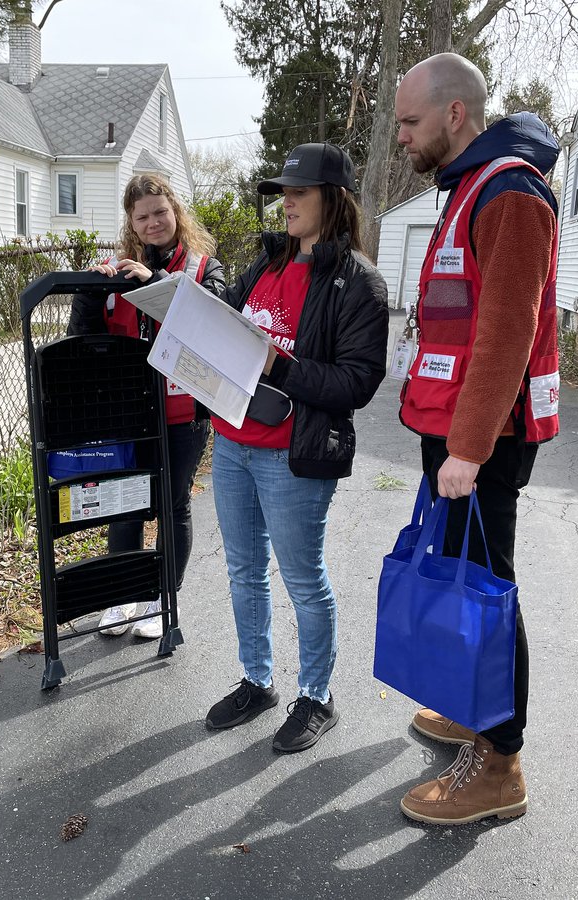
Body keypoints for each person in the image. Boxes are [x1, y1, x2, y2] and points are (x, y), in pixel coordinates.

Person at [392, 53, 561, 823]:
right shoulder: (469, 188)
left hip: (481, 439)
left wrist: (469, 447)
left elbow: (506, 333)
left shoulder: (510, 193)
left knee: (487, 590)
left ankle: (501, 763)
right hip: (458, 429)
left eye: (410, 122)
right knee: (465, 572)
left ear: (455, 115)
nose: (401, 137)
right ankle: (474, 710)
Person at [203, 143, 388, 753]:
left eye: (298, 192)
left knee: (303, 581)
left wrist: (277, 363)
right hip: (231, 444)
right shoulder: (264, 265)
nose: (285, 202)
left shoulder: (357, 283)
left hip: (294, 454)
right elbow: (223, 324)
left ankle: (318, 695)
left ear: (332, 200)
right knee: (243, 571)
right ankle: (258, 681)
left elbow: (356, 383)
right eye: (283, 191)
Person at [66, 172, 225, 640]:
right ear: (131, 224)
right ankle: (122, 596)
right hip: (128, 413)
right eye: (143, 217)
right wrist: (91, 293)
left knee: (174, 503)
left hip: (182, 414)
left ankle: (162, 599)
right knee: (124, 506)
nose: (154, 222)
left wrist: (156, 280)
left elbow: (213, 323)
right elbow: (84, 339)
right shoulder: (116, 268)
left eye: (160, 212)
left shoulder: (203, 267)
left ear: (175, 212)